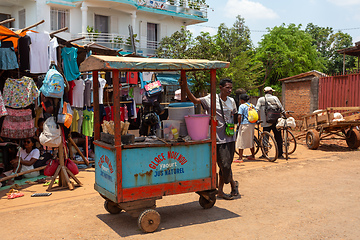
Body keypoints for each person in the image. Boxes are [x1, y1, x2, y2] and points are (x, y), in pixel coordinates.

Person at [184, 78, 239, 200]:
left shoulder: (232, 101)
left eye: (231, 88)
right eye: (227, 88)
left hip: (230, 137)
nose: (229, 90)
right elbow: (195, 101)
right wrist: (186, 87)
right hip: (217, 138)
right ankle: (233, 184)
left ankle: (222, 190)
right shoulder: (210, 99)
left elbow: (233, 116)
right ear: (220, 88)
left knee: (226, 164)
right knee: (224, 164)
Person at [256, 87, 284, 158]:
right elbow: (281, 107)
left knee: (265, 137)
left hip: (265, 122)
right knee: (278, 137)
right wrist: (284, 115)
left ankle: (265, 154)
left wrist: (256, 119)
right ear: (271, 92)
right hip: (275, 121)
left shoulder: (261, 99)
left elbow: (257, 109)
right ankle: (280, 154)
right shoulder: (275, 98)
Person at [235, 94, 256, 163]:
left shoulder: (242, 106)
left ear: (242, 100)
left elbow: (239, 116)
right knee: (251, 139)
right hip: (252, 124)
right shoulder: (252, 105)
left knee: (241, 140)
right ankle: (253, 156)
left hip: (244, 124)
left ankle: (240, 158)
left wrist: (239, 123)